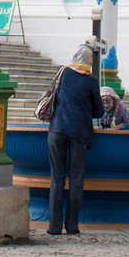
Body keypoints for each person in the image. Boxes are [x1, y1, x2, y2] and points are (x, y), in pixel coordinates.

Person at [47, 44, 104, 236]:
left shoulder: (62, 72)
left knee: (56, 179)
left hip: (56, 130)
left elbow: (53, 95)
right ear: (89, 61)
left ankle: (54, 227)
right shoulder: (91, 81)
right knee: (76, 179)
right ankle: (72, 226)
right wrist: (85, 109)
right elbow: (99, 111)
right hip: (79, 133)